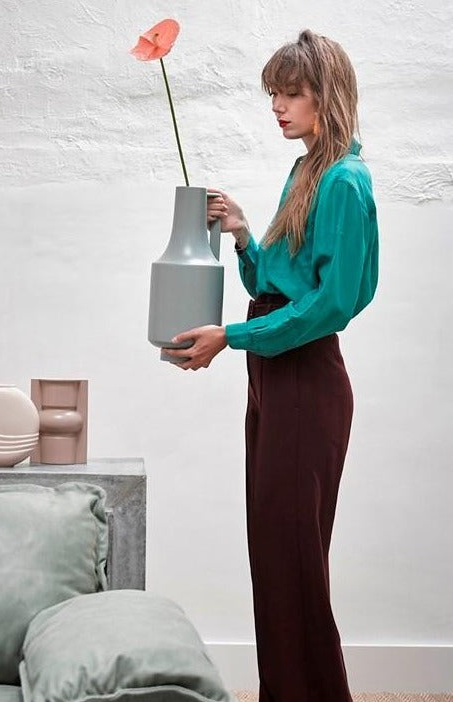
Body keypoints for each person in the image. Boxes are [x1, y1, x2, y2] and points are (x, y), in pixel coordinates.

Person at [163, 29, 379, 702]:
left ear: (327, 95)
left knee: (296, 565)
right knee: (274, 559)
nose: (277, 107)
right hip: (274, 378)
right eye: (273, 94)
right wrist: (244, 236)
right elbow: (282, 283)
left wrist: (230, 334)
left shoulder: (344, 180)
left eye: (291, 93)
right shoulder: (307, 168)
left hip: (308, 382)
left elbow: (328, 307)